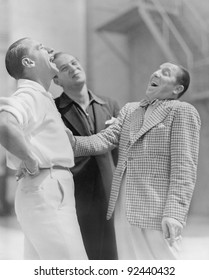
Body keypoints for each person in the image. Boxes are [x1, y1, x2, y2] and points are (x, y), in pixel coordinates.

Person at [70, 62, 201, 259]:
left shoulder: (182, 111)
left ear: (177, 89)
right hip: (125, 204)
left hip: (157, 207)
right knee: (130, 262)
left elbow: (185, 166)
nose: (155, 73)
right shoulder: (130, 110)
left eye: (165, 73)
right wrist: (69, 141)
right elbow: (105, 139)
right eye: (156, 69)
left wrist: (174, 213)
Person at [0, 38, 87, 260]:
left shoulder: (42, 97)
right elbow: (4, 124)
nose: (50, 49)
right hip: (45, 187)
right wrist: (29, 159)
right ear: (28, 62)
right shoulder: (29, 94)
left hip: (45, 190)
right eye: (40, 47)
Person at [53, 52, 119, 260]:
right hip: (75, 195)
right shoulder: (53, 109)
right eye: (65, 68)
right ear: (56, 80)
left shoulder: (109, 105)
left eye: (74, 63)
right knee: (82, 258)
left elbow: (118, 153)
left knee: (111, 256)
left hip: (109, 193)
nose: (73, 68)